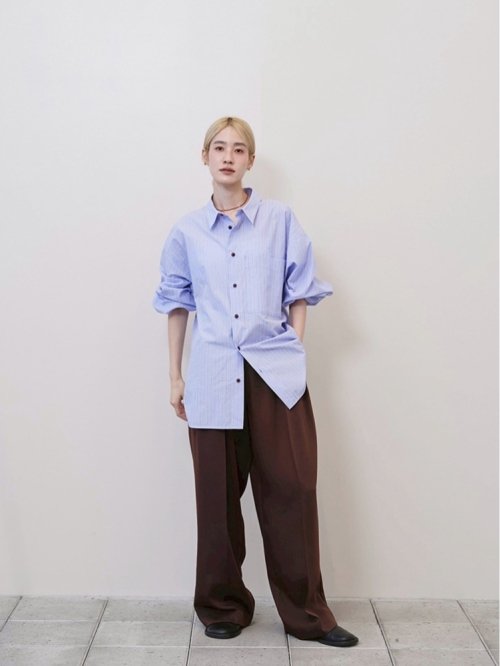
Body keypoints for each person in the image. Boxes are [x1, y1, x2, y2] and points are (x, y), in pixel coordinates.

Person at [153, 116, 359, 648]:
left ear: (249, 160)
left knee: (293, 489)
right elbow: (176, 305)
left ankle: (308, 615)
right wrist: (175, 376)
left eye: (239, 149)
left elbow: (300, 291)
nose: (228, 157)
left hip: (274, 374)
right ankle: (223, 606)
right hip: (212, 374)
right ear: (204, 156)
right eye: (219, 148)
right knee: (216, 498)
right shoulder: (187, 232)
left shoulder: (280, 220)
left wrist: (293, 349)